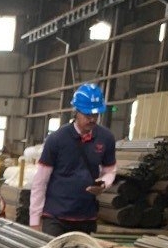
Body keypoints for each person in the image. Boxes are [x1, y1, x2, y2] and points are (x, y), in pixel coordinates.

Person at [29, 84, 117, 235]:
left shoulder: (106, 138)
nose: (92, 119)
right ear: (76, 111)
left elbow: (110, 170)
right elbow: (40, 181)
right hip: (56, 217)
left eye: (95, 115)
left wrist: (103, 184)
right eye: (87, 115)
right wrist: (34, 221)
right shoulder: (57, 139)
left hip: (86, 217)